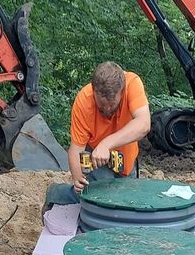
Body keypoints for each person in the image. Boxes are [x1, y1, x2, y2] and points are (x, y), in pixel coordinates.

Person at [43, 62, 150, 209]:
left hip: (127, 160)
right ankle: (56, 194)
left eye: (112, 105)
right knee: (99, 198)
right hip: (97, 160)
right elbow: (76, 148)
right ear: (94, 91)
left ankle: (59, 193)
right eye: (102, 104)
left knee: (127, 200)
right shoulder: (83, 101)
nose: (107, 109)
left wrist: (106, 144)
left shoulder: (132, 83)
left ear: (122, 91)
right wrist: (77, 178)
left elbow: (144, 124)